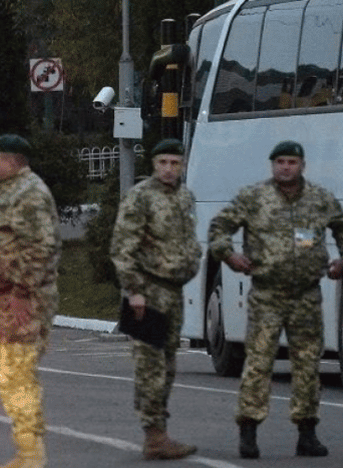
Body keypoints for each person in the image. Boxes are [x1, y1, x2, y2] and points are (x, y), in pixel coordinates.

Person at [207, 140, 343, 459]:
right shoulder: (254, 197)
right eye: (280, 162)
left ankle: (307, 433)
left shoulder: (319, 198)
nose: (286, 167)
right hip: (266, 294)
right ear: (272, 165)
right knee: (259, 363)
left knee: (307, 366)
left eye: (292, 162)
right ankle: (248, 432)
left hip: (306, 295)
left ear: (302, 165)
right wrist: (230, 255)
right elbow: (219, 227)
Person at [0, 134, 60, 468]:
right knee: (9, 375)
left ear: (12, 161)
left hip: (20, 301)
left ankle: (32, 452)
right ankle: (27, 449)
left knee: (18, 374)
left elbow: (42, 248)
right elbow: (2, 224)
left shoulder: (32, 194)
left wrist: (21, 293)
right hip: (2, 300)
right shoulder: (11, 192)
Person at [110, 138, 202, 460]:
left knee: (168, 364)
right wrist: (133, 290)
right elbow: (123, 247)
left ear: (183, 166)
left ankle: (160, 430)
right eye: (163, 162)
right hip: (148, 292)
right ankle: (154, 435)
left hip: (173, 292)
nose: (168, 169)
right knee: (150, 365)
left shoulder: (184, 197)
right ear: (153, 164)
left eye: (175, 163)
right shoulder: (140, 197)